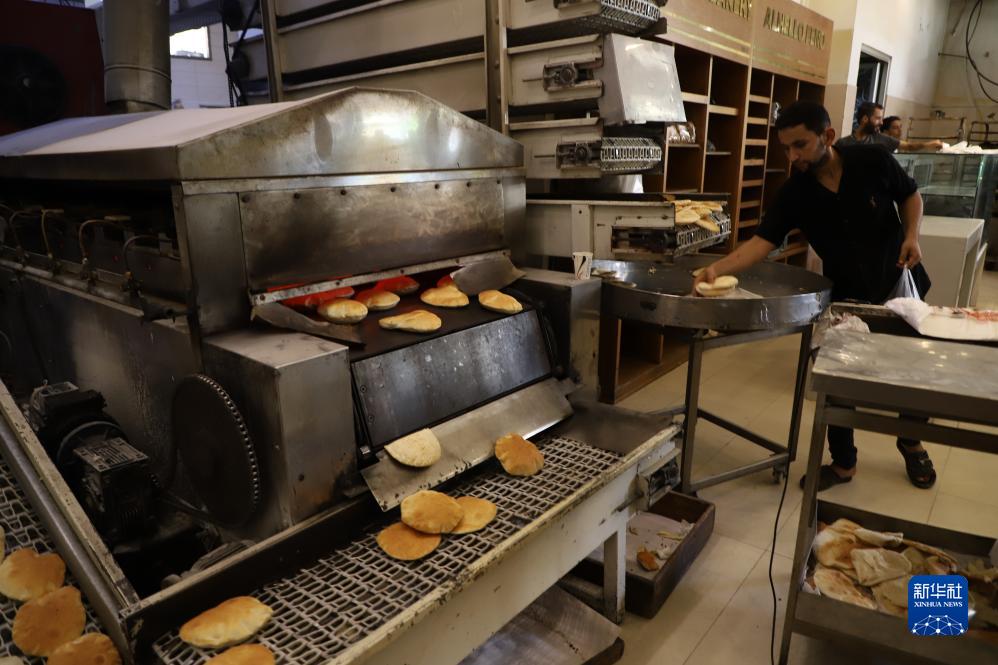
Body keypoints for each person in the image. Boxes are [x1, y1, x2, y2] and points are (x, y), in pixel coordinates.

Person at [693, 101, 936, 491]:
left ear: (827, 136)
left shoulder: (872, 160)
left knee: (913, 373)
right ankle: (843, 463)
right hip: (845, 294)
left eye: (800, 145)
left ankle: (910, 440)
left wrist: (911, 236)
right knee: (835, 378)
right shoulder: (796, 193)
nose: (793, 157)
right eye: (786, 148)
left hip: (899, 281)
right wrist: (716, 270)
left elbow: (910, 195)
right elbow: (762, 242)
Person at [837, 101, 943, 152]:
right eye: (878, 118)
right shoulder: (843, 143)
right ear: (865, 119)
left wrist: (929, 144)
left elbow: (909, 146)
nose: (881, 123)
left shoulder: (881, 139)